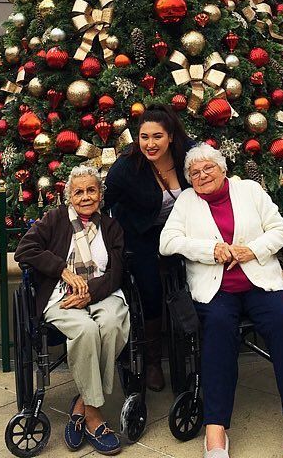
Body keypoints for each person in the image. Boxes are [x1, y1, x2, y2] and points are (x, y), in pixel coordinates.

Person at [159, 144, 283, 458]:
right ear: (189, 179)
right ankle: (216, 430)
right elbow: (168, 242)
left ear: (222, 168)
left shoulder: (250, 191)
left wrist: (252, 250)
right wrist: (210, 249)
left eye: (208, 168)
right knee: (217, 327)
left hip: (260, 282)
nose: (202, 175)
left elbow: (281, 232)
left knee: (282, 319)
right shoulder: (187, 202)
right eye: (195, 172)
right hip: (215, 289)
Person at [14, 166, 129, 456]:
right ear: (69, 197)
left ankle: (83, 404)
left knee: (113, 323)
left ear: (100, 195)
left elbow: (116, 273)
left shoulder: (111, 227)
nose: (86, 196)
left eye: (92, 190)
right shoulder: (54, 220)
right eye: (79, 192)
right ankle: (94, 417)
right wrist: (62, 270)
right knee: (86, 330)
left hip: (102, 293)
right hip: (62, 296)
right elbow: (24, 250)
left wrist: (90, 293)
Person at [104, 104, 194, 391]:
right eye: (144, 137)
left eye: (157, 136)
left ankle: (198, 343)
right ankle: (153, 359)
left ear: (170, 137)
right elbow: (105, 203)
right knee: (150, 286)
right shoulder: (127, 167)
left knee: (196, 275)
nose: (150, 144)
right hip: (141, 233)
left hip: (183, 228)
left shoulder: (188, 156)